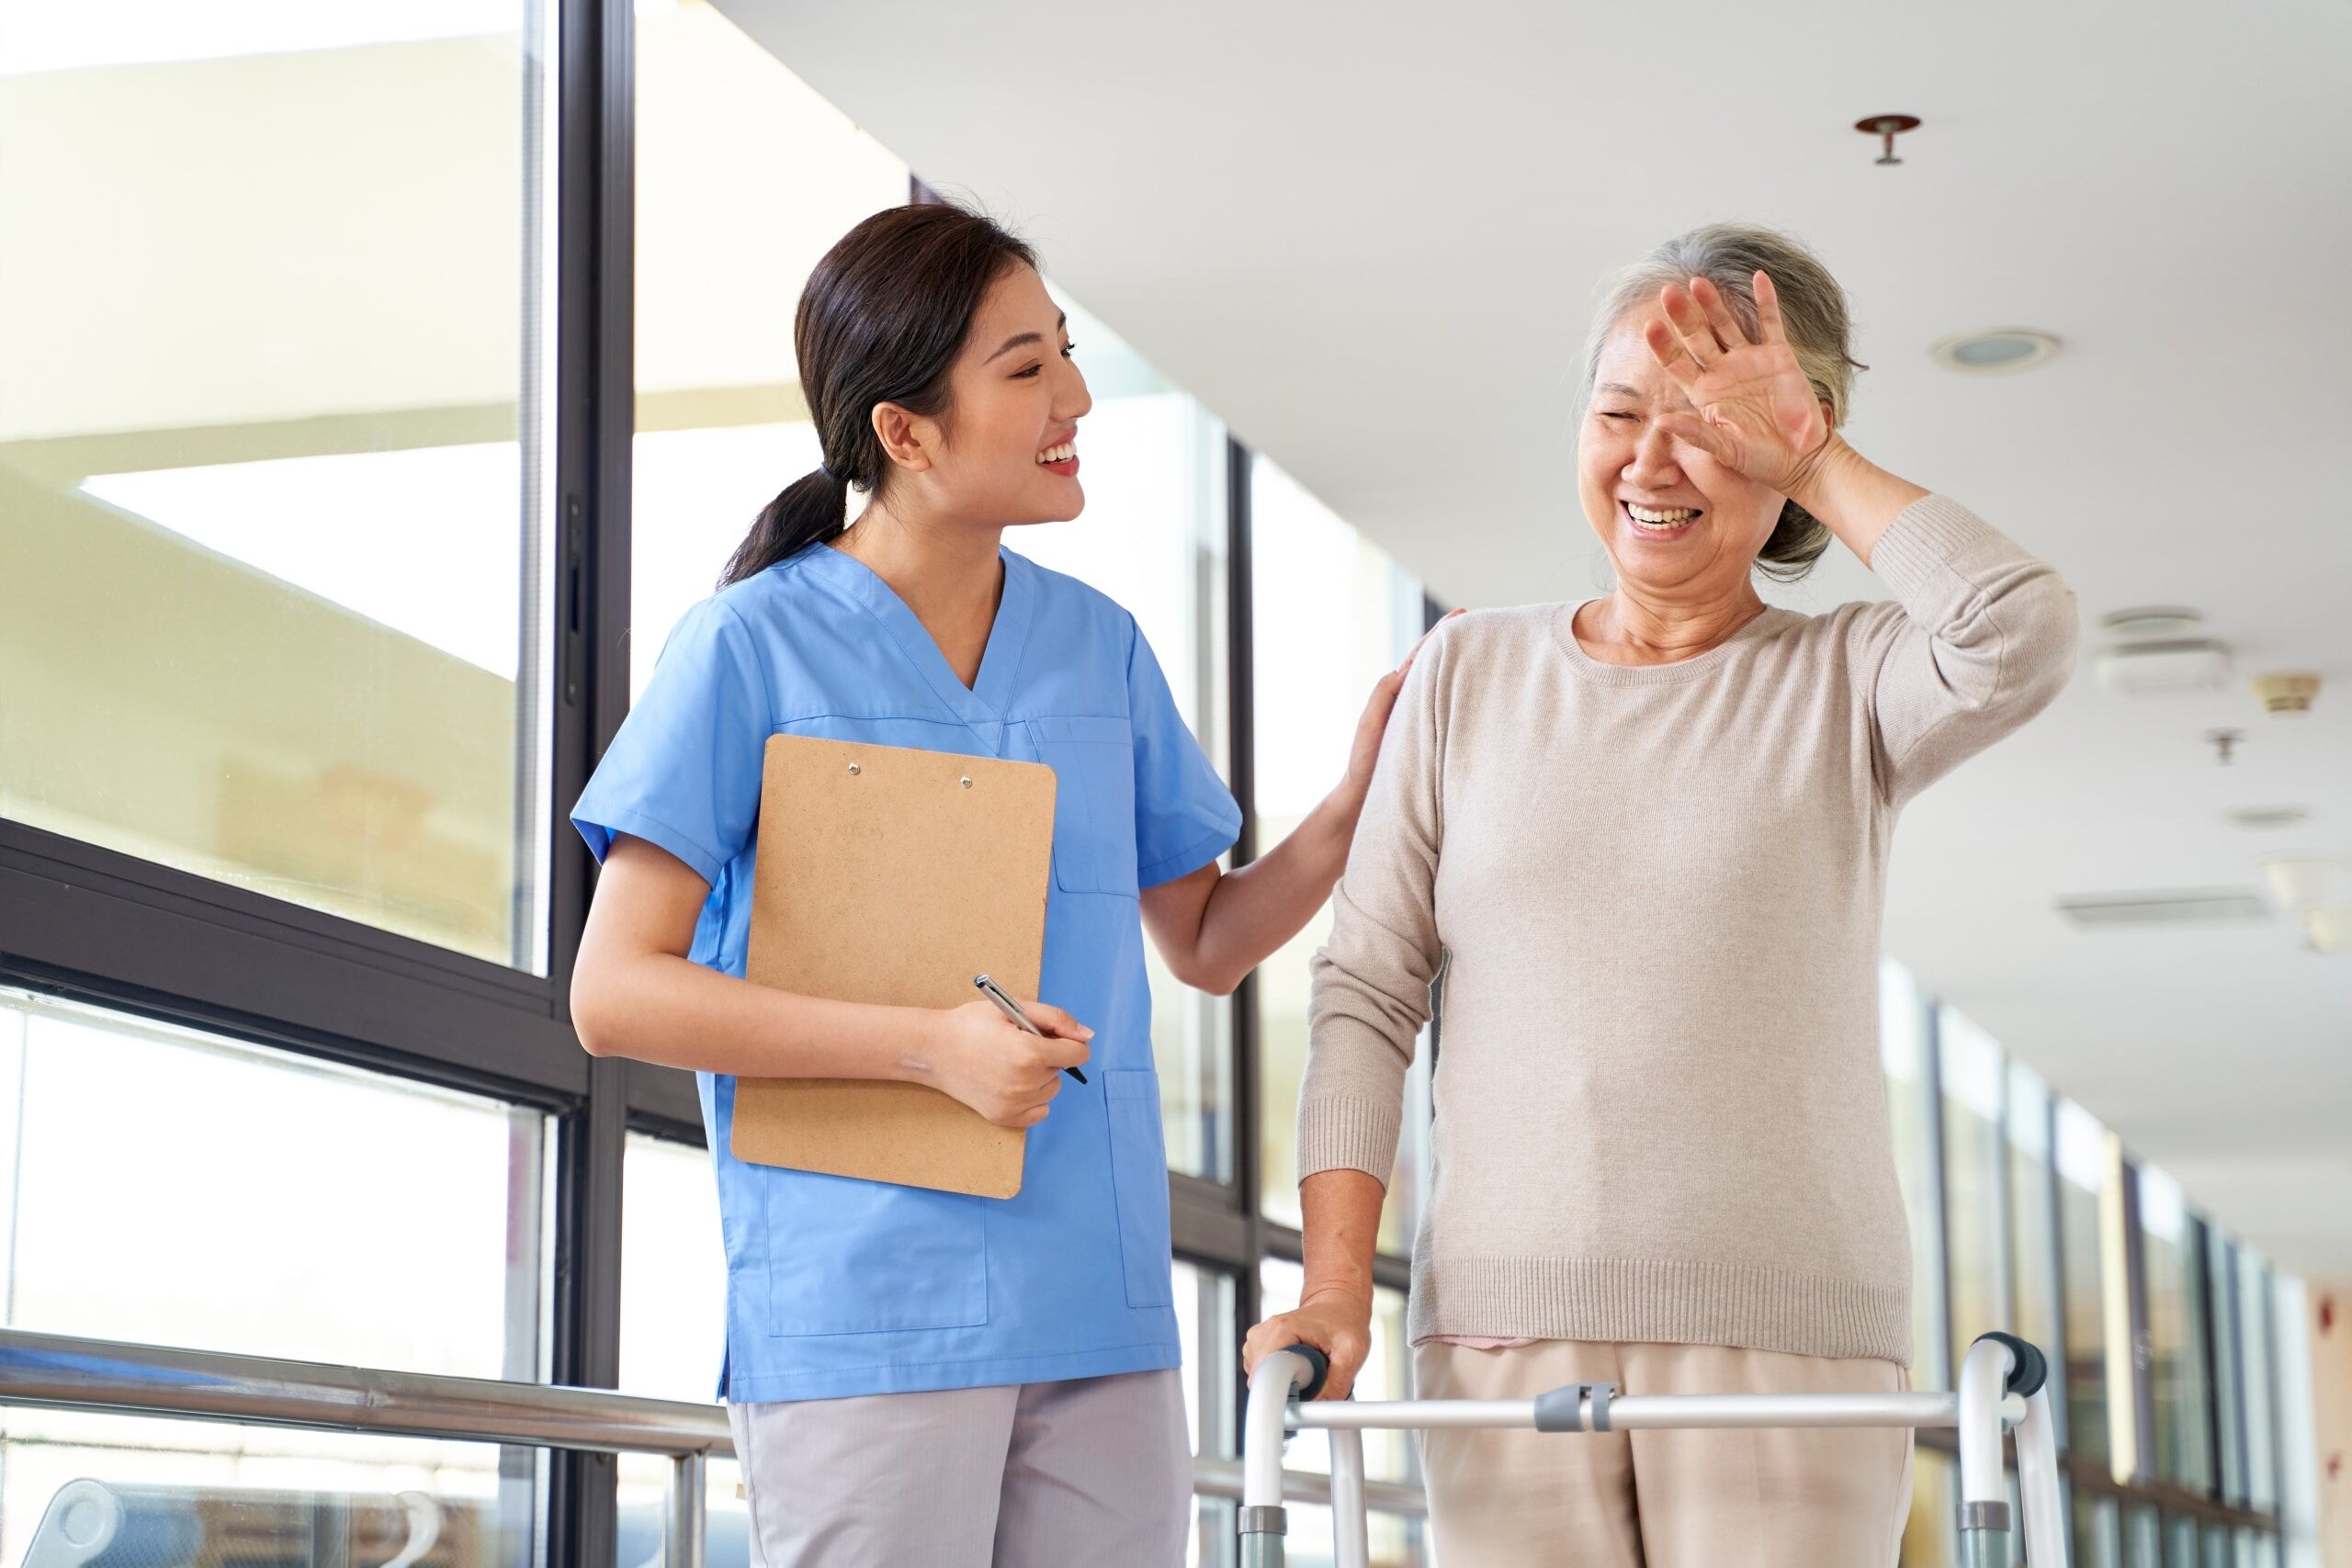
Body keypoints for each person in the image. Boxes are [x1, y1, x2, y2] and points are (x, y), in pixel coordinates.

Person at [569, 202, 1425, 1566]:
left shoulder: (1099, 649)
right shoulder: (747, 650)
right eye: (1024, 370)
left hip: (1100, 1307)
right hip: (868, 1318)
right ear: (902, 432)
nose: (1075, 397)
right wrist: (930, 1051)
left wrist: (1353, 809)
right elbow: (613, 997)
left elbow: (1201, 940)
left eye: (1065, 356)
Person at [1243, 222, 2079, 1566]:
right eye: (1620, 412)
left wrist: (1818, 454)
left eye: (1710, 425)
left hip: (1788, 1334)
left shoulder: (1849, 682)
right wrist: (1336, 1289)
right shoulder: (1463, 676)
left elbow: (2018, 632)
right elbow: (1367, 990)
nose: (1651, 460)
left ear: (1788, 453)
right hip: (1498, 1339)